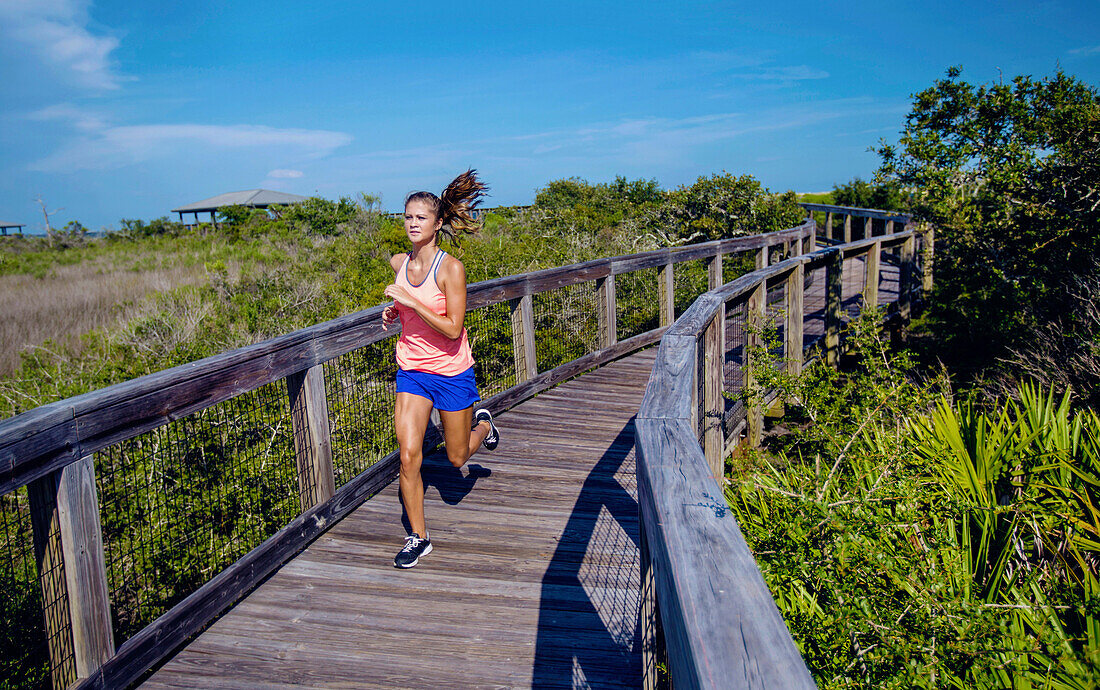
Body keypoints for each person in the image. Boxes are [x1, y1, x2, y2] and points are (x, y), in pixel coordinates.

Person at [381, 169, 500, 569]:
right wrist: (393, 311)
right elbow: (406, 303)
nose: (413, 224)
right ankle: (418, 537)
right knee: (409, 455)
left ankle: (483, 424)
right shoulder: (400, 261)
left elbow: (452, 329)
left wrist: (412, 304)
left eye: (421, 218)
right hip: (411, 369)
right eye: (407, 217)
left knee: (454, 459)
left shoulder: (452, 269)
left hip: (451, 372)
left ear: (437, 223)